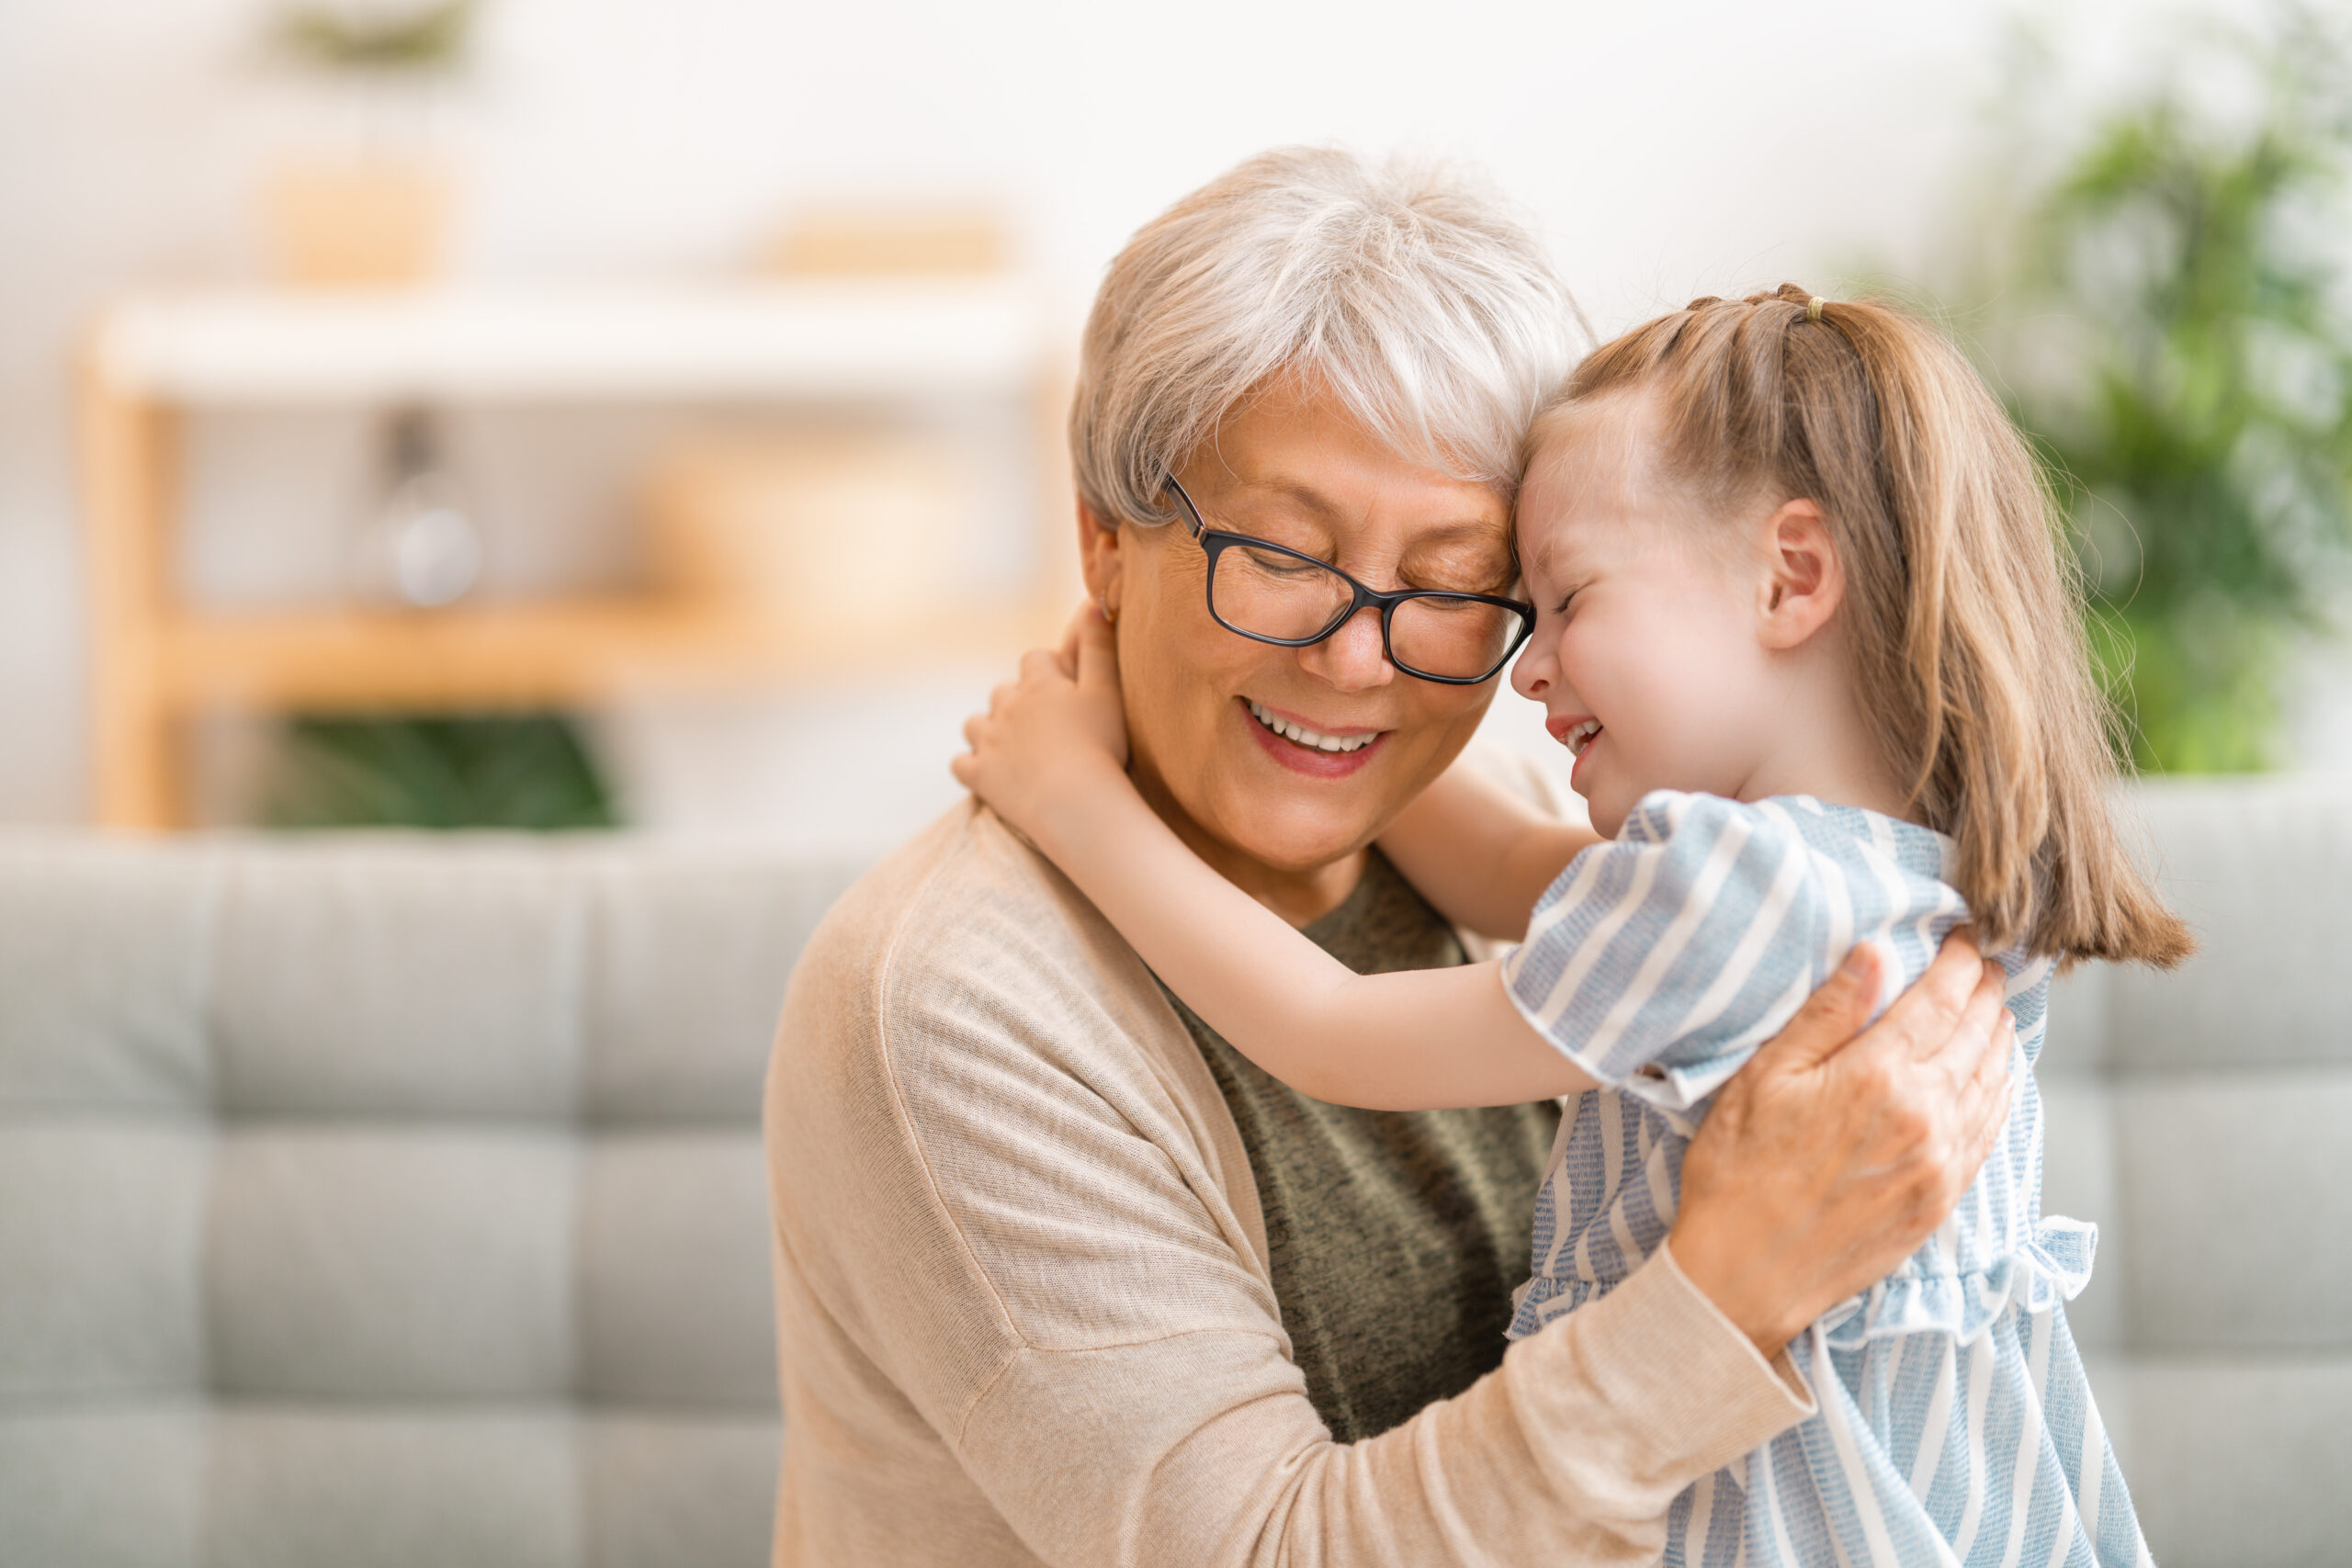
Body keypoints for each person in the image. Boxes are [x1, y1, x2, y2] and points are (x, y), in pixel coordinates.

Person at [765, 150, 2014, 1567]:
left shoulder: (1560, 811)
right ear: (1106, 542)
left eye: (1450, 583)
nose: (1360, 657)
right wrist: (1728, 1291)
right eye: (1284, 554)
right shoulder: (949, 1007)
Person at [953, 284, 2191, 1567]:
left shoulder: (1720, 894)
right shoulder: (1893, 880)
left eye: (1568, 601)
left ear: (1792, 576)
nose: (1528, 668)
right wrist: (1345, 734)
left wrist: (1073, 797)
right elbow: (1500, 863)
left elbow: (1326, 1028)